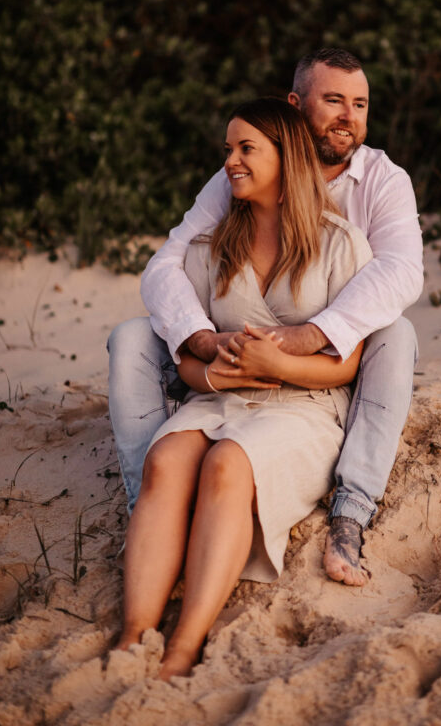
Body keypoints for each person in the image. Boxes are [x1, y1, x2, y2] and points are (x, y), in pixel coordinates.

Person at [108, 48, 423, 587]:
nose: (349, 116)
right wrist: (203, 339)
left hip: (328, 366)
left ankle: (350, 510)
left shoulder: (382, 181)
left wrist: (306, 337)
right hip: (232, 354)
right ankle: (151, 499)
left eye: (360, 104)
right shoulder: (243, 169)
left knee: (398, 332)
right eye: (334, 101)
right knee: (134, 335)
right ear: (295, 106)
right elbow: (169, 261)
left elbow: (400, 271)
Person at [117, 98, 372, 679]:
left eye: (245, 149)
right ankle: (134, 634)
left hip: (305, 406)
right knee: (166, 458)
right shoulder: (211, 247)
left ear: (286, 157)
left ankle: (185, 643)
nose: (230, 161)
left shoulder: (339, 243)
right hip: (219, 398)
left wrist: (275, 364)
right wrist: (213, 373)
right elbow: (186, 359)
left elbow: (346, 366)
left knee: (227, 464)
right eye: (228, 150)